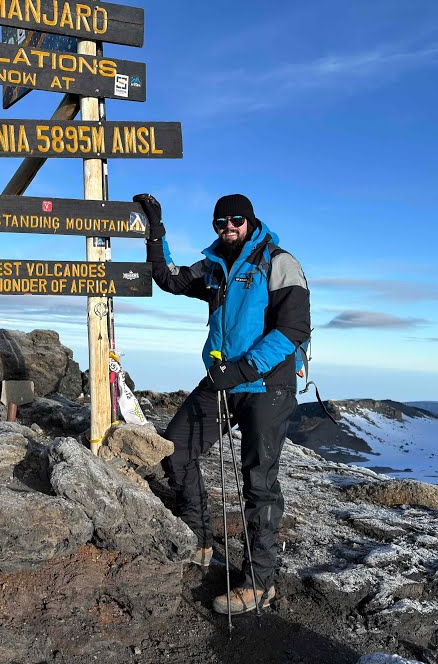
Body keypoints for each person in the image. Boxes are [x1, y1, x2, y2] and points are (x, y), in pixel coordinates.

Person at [132, 192, 310, 616]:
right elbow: (171, 279)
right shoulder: (214, 267)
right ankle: (198, 540)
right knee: (176, 450)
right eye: (220, 223)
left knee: (258, 483)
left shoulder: (278, 261)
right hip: (223, 381)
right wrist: (155, 233)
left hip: (267, 385)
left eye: (235, 221)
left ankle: (259, 582)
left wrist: (244, 369)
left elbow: (293, 329)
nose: (228, 228)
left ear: (249, 221)